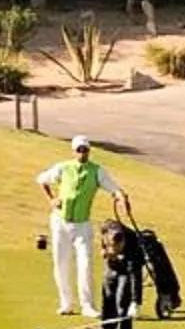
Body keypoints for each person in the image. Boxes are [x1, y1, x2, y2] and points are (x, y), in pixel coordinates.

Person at [37, 135, 127, 318]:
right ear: (73, 151)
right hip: (60, 221)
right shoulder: (63, 168)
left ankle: (87, 305)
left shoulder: (97, 171)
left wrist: (120, 196)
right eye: (79, 150)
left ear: (89, 151)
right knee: (61, 263)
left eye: (85, 150)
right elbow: (42, 180)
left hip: (82, 225)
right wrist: (51, 199)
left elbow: (113, 187)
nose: (82, 153)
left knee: (85, 263)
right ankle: (66, 303)